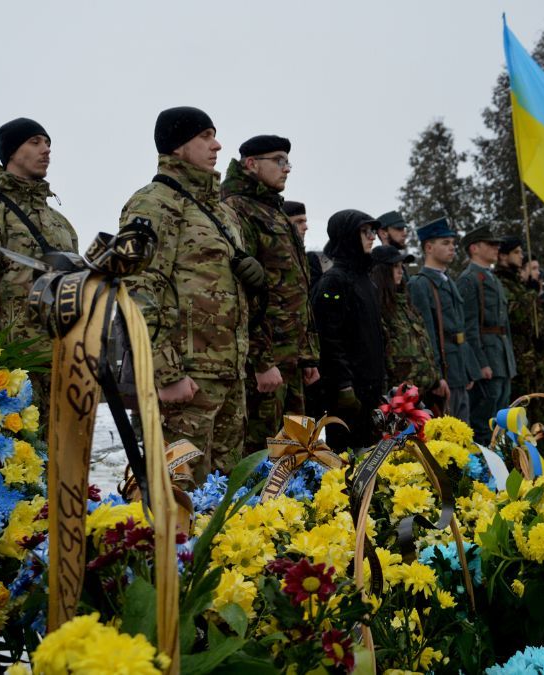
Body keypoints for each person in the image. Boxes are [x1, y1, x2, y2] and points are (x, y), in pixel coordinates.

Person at [119, 106, 257, 481]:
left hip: (228, 375)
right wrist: (165, 373)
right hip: (187, 380)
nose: (217, 145)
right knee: (181, 493)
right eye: (206, 136)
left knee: (227, 495)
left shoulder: (221, 212)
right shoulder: (152, 203)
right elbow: (140, 289)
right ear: (178, 146)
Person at [0, 117, 78, 403]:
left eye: (47, 143)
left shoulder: (60, 224)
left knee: (60, 449)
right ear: (10, 152)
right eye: (34, 142)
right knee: (17, 449)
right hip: (13, 371)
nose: (45, 150)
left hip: (62, 366)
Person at [221, 135, 319, 450]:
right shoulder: (237, 208)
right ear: (251, 164)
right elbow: (246, 291)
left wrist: (307, 355)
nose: (286, 168)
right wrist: (261, 361)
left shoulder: (273, 211)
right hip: (263, 364)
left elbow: (296, 289)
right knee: (262, 455)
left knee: (295, 451)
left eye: (288, 161)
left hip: (289, 360)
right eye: (279, 160)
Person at [310, 210, 386, 451]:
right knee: (346, 460)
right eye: (365, 232)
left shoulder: (366, 280)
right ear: (347, 236)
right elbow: (329, 338)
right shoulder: (334, 280)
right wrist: (343, 386)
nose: (372, 237)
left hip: (371, 388)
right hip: (348, 393)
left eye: (372, 231)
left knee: (371, 456)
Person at [408, 217, 480, 422]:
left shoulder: (448, 282)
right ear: (428, 247)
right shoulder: (421, 284)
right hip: (444, 372)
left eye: (453, 244)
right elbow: (427, 335)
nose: (452, 248)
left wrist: (468, 369)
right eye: (445, 243)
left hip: (458, 368)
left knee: (463, 431)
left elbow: (460, 330)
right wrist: (436, 376)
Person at [456, 226, 516, 441]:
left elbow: (504, 325)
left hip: (500, 357)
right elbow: (468, 326)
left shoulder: (491, 278)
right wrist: (480, 363)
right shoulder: (469, 280)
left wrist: (509, 359)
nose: (496, 248)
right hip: (487, 359)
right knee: (484, 420)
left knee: (501, 419)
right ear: (474, 248)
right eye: (490, 244)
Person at [493, 238, 544, 429]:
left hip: (532, 360)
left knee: (540, 414)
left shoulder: (519, 283)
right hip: (518, 360)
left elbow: (535, 321)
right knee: (521, 415)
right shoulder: (502, 282)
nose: (521, 256)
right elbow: (516, 317)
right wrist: (531, 295)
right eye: (517, 252)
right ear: (503, 255)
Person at [369, 245, 445, 402]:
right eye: (394, 266)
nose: (400, 271)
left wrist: (437, 379)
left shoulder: (405, 303)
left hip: (424, 394)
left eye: (401, 266)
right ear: (381, 272)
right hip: (397, 399)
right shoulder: (377, 309)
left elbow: (425, 346)